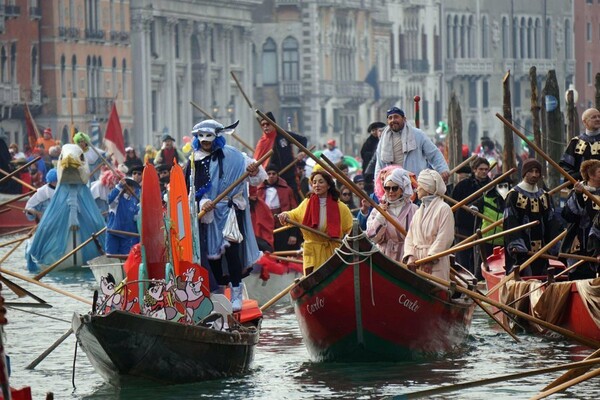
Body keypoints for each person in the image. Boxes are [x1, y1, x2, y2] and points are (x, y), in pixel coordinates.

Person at [187, 119, 265, 311]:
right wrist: (203, 202)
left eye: (209, 137)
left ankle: (237, 293)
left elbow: (258, 178)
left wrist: (254, 171)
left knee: (232, 252)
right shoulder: (193, 162)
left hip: (230, 210)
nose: (205, 141)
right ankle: (219, 294)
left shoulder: (235, 156)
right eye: (201, 137)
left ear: (217, 137)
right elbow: (190, 190)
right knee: (212, 256)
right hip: (209, 214)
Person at [278, 170, 353, 275]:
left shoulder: (341, 207)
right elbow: (294, 215)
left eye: (321, 182)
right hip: (312, 252)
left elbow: (351, 229)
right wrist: (286, 215)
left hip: (331, 252)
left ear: (328, 185)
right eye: (314, 182)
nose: (317, 185)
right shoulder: (307, 203)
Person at [503, 158, 560, 276]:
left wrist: (555, 244)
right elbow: (510, 222)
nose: (534, 175)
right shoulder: (513, 195)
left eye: (537, 172)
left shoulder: (544, 196)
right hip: (523, 252)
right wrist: (516, 245)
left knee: (543, 276)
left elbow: (551, 221)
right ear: (524, 173)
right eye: (531, 171)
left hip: (542, 251)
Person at [403, 169, 455, 281]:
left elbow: (445, 238)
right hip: (417, 262)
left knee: (436, 291)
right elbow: (410, 237)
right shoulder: (418, 211)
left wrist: (431, 258)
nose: (417, 189)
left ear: (427, 188)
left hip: (436, 262)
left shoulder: (444, 209)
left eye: (419, 186)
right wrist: (410, 256)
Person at [374, 107, 449, 182]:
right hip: (393, 186)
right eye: (390, 118)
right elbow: (379, 164)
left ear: (404, 119)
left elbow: (434, 154)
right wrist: (377, 184)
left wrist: (442, 170)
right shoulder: (383, 139)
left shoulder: (417, 134)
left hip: (416, 182)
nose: (393, 120)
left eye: (396, 117)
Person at [253, 111, 308, 203]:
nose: (265, 126)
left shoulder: (284, 135)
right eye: (263, 125)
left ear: (274, 124)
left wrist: (301, 152)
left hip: (289, 175)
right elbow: (257, 162)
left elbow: (303, 139)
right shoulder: (262, 142)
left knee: (294, 200)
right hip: (272, 178)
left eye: (268, 124)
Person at [450, 157, 492, 274]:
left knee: (479, 258)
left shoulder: (491, 186)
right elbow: (452, 205)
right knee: (462, 257)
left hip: (483, 227)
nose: (484, 172)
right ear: (474, 170)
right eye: (481, 169)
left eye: (486, 169)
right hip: (463, 227)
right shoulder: (463, 185)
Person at [367, 168, 417, 262]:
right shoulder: (377, 210)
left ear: (402, 189)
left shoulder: (414, 209)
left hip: (406, 256)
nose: (390, 191)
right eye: (387, 188)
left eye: (394, 188)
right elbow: (372, 236)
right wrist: (381, 215)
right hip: (384, 258)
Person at [560, 159, 600, 280]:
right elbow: (569, 215)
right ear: (591, 175)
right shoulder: (577, 191)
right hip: (581, 241)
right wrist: (578, 195)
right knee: (580, 275)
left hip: (598, 240)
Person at [257, 163, 299, 252]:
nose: (271, 176)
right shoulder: (258, 191)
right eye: (269, 174)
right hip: (265, 228)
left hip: (282, 228)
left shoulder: (287, 190)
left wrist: (293, 234)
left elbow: (294, 211)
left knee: (282, 253)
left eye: (273, 173)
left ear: (277, 175)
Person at [105, 165, 142, 255]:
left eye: (133, 186)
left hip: (127, 237)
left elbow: (136, 219)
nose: (131, 188)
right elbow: (110, 199)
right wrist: (119, 186)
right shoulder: (117, 200)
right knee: (111, 257)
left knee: (126, 258)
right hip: (114, 234)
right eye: (129, 185)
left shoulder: (135, 202)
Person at [559, 108, 600, 181]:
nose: (597, 119)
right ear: (584, 122)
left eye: (599, 116)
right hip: (581, 188)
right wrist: (575, 177)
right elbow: (565, 165)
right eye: (594, 117)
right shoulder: (576, 142)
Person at [361, 121, 386, 193]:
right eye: (373, 130)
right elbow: (364, 154)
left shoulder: (384, 140)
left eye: (377, 130)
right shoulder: (368, 142)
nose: (375, 132)